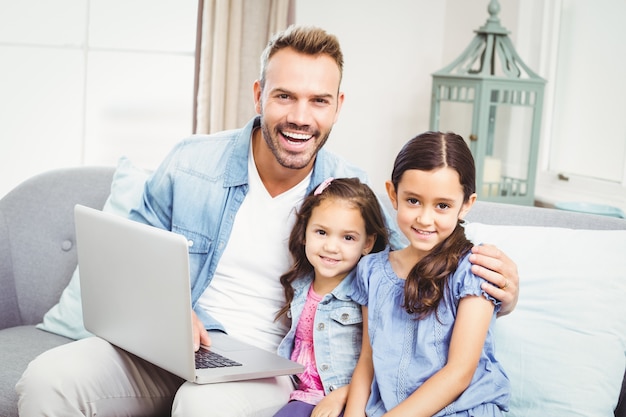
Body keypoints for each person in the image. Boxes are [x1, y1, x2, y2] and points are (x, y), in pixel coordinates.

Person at [16, 26, 518, 417]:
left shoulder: (355, 192)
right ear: (259, 94)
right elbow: (126, 256)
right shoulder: (191, 163)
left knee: (200, 406)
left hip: (265, 367)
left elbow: (422, 252)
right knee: (47, 380)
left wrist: (506, 295)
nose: (301, 116)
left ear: (337, 107)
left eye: (318, 100)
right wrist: (168, 311)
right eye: (285, 96)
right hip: (167, 345)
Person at [344, 132, 510, 417]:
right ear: (393, 194)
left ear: (466, 204)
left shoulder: (473, 270)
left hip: (464, 410)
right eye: (413, 201)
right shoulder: (371, 270)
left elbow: (459, 372)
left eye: (442, 206)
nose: (424, 218)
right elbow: (368, 361)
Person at [273, 177, 388, 417]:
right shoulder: (301, 285)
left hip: (350, 399)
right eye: (322, 232)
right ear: (304, 232)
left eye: (348, 238)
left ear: (367, 243)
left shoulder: (367, 292)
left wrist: (343, 395)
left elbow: (382, 361)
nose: (331, 247)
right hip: (304, 394)